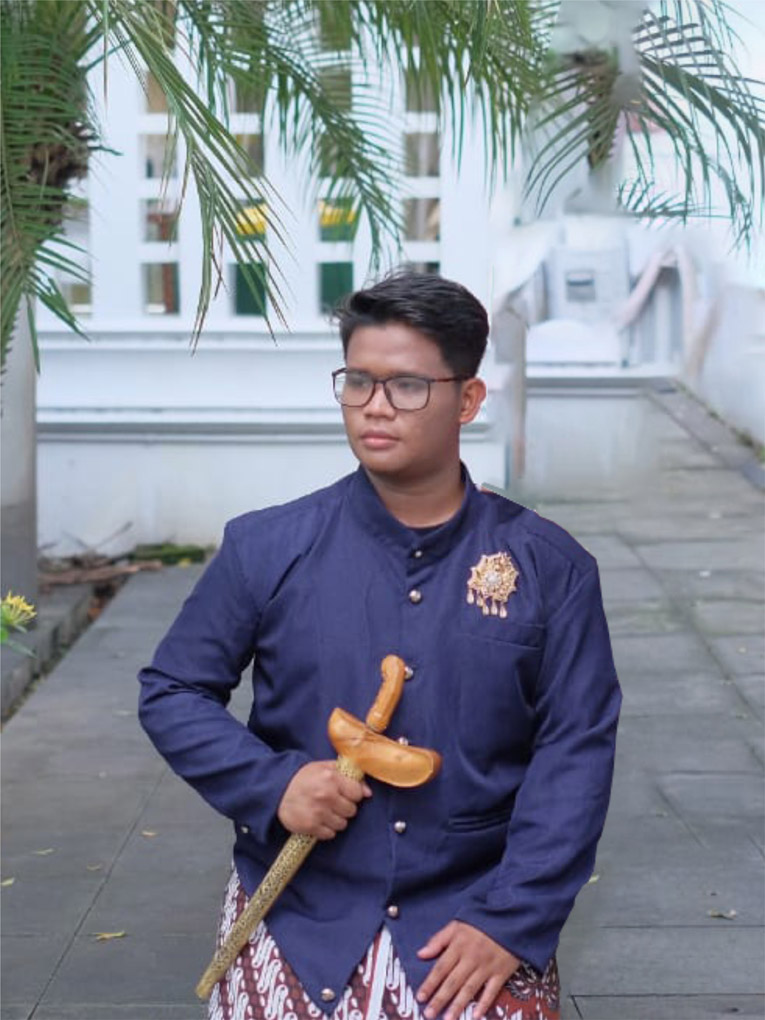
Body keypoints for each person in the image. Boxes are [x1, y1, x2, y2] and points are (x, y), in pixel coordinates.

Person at [138, 271, 621, 1020]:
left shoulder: (548, 568)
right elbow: (173, 688)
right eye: (358, 381)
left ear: (468, 399)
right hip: (301, 906)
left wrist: (511, 919)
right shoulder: (268, 547)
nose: (374, 405)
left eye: (407, 386)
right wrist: (273, 785)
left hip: (473, 908)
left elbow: (576, 750)